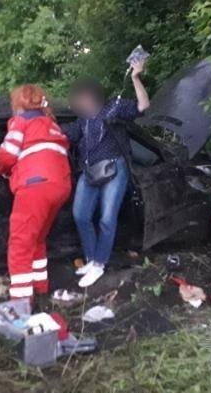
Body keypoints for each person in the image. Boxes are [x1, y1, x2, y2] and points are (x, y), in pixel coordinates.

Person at [65, 59, 150, 288]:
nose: (81, 100)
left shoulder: (114, 108)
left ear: (94, 95)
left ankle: (99, 265)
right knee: (81, 215)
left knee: (106, 218)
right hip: (90, 171)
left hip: (115, 168)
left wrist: (135, 77)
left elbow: (143, 105)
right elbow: (66, 138)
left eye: (85, 96)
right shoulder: (82, 119)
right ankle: (92, 260)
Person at [0, 84, 71, 302]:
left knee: (19, 244)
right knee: (37, 238)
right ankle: (40, 287)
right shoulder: (52, 125)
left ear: (18, 104)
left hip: (35, 186)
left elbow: (7, 155)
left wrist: (1, 169)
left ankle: (20, 304)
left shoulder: (21, 123)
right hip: (61, 187)